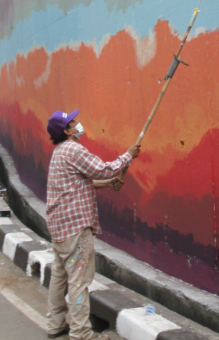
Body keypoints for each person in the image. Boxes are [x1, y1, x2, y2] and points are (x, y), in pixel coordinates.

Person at [45, 109, 140, 340]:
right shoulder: (73, 149)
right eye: (74, 122)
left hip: (59, 227)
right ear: (67, 131)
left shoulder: (59, 152)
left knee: (60, 277)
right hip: (75, 227)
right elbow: (102, 168)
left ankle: (55, 323)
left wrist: (108, 184)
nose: (79, 124)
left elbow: (80, 182)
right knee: (79, 280)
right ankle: (81, 334)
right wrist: (128, 155)